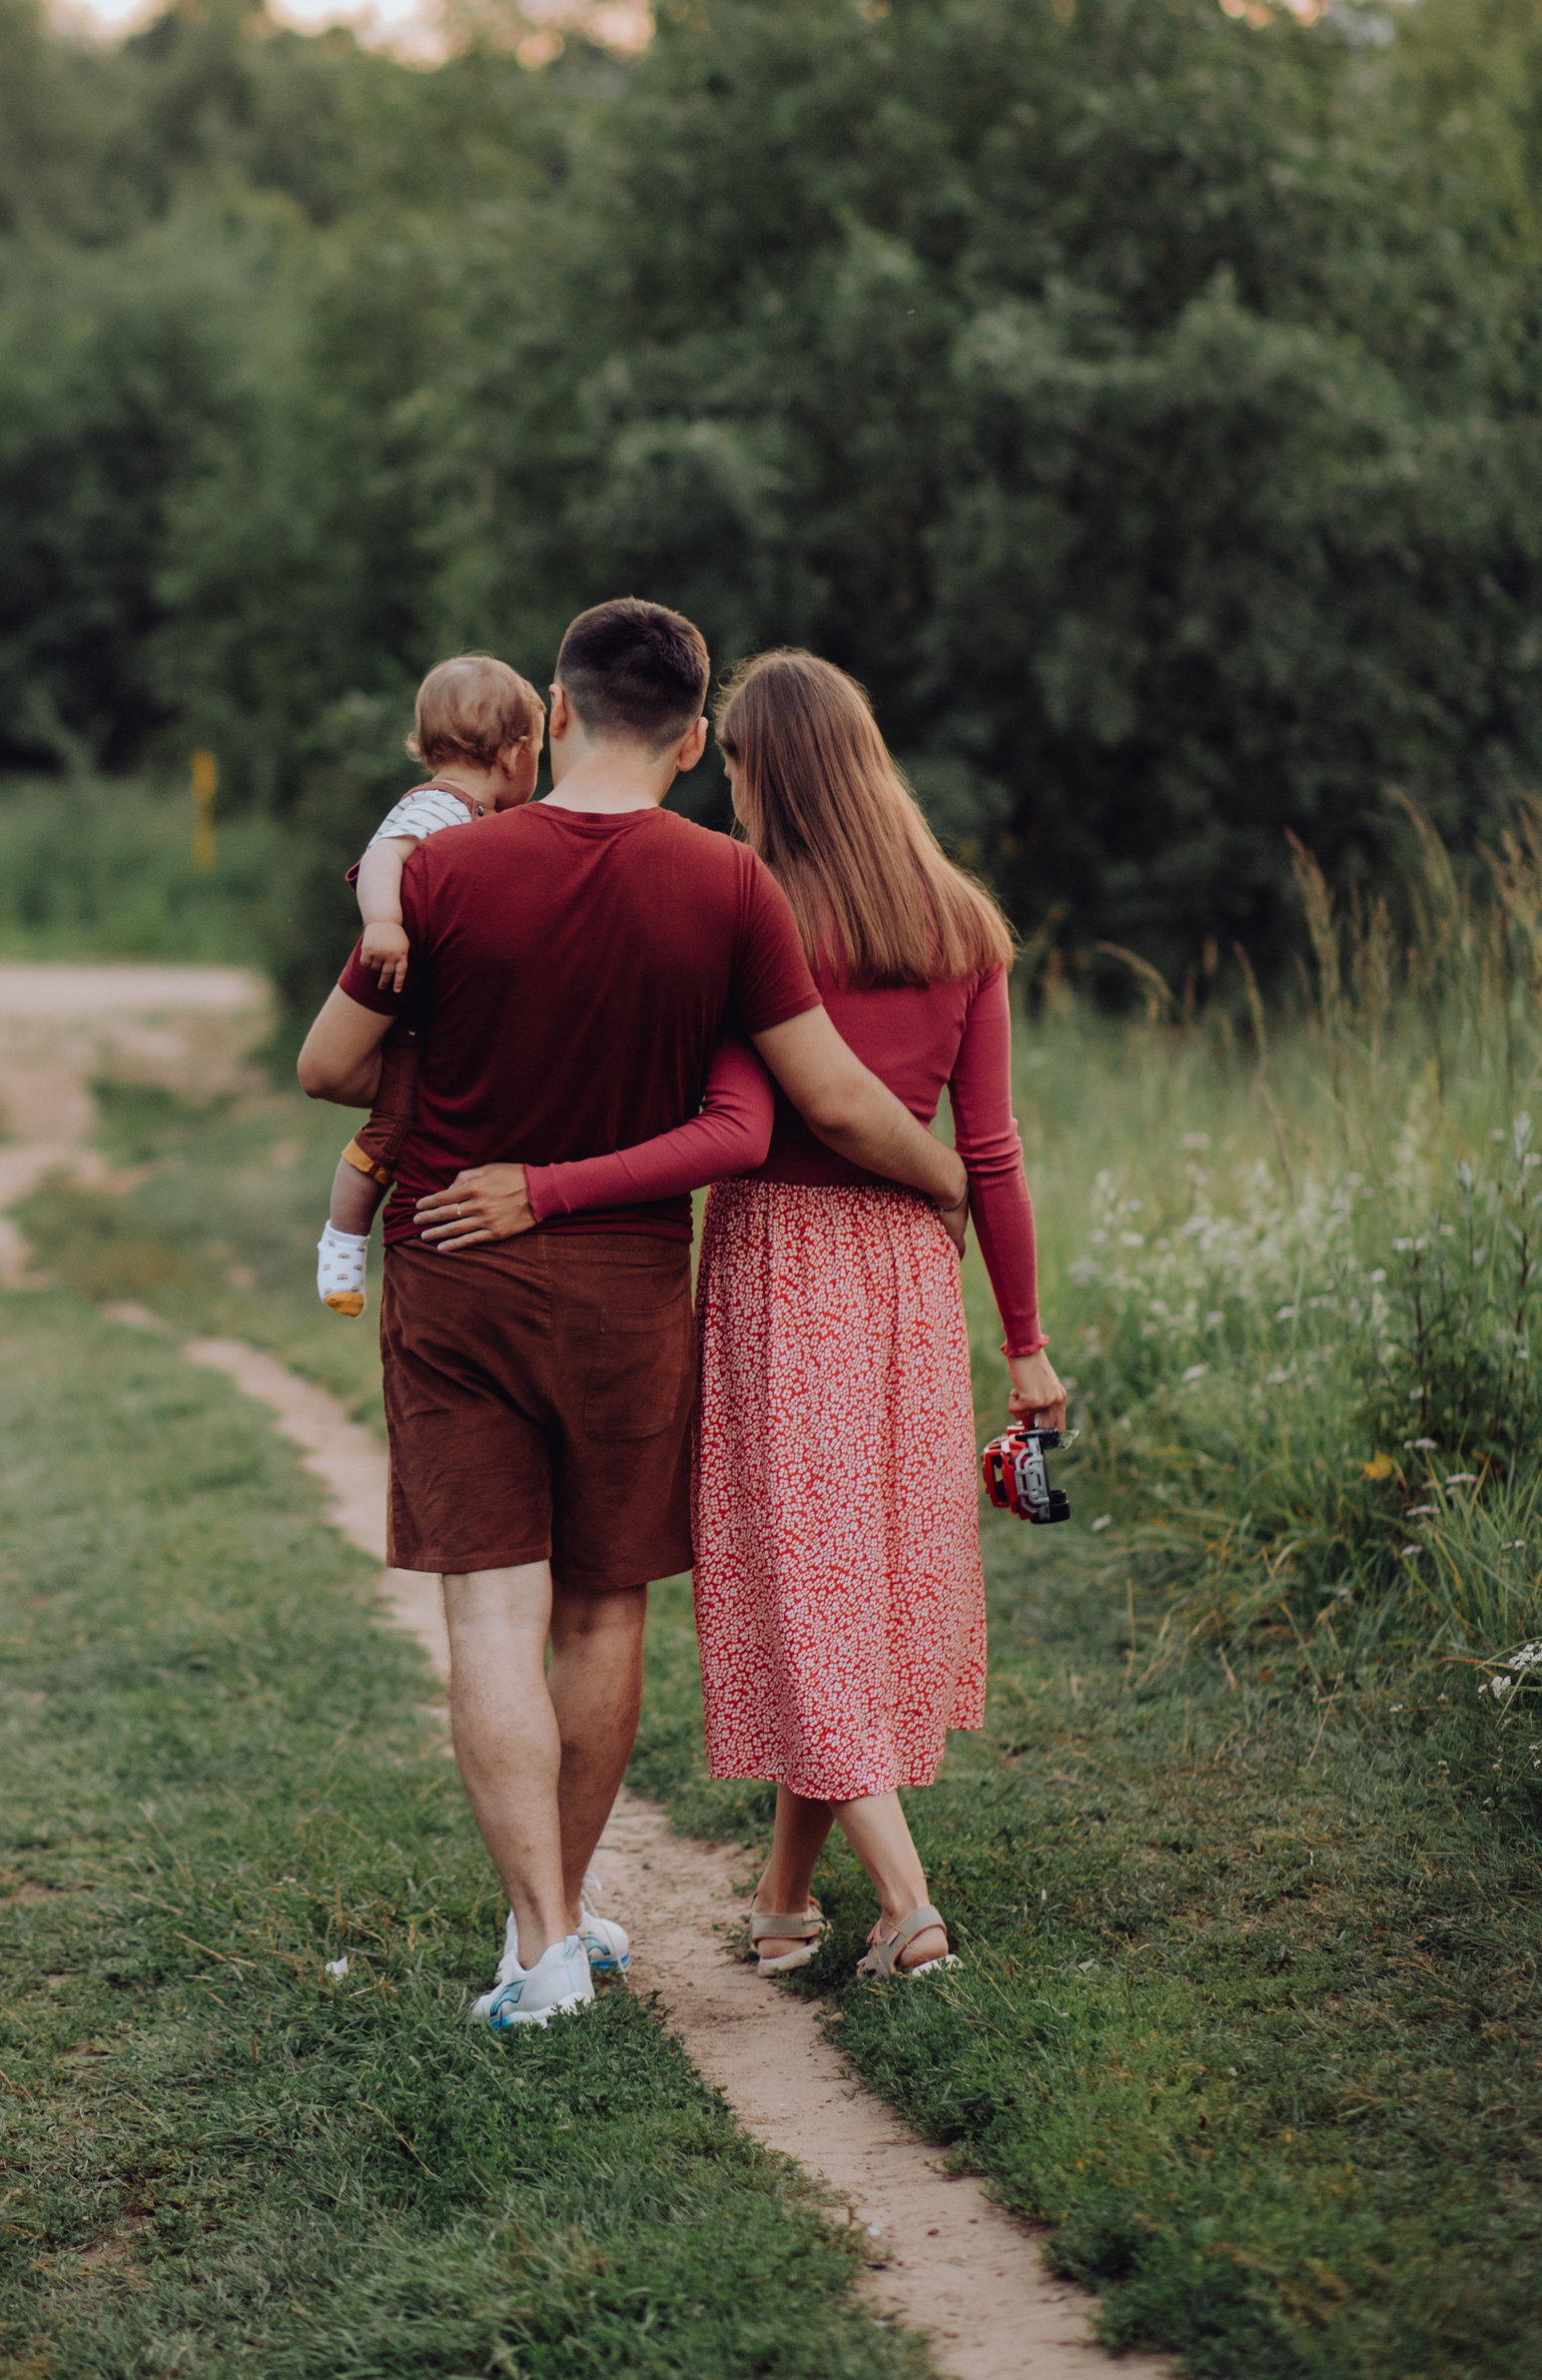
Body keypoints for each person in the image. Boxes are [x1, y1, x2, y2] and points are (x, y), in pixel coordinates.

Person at [296, 598, 972, 2031]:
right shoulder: (731, 888)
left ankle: (542, 1943)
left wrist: (448, 1064)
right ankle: (555, 1917)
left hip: (455, 1274)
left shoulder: (449, 871)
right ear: (694, 735)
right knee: (603, 1610)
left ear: (554, 707)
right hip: (626, 1294)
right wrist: (946, 1179)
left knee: (490, 1608)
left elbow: (327, 1064)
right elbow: (831, 1098)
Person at [418, 648, 1067, 1983]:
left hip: (788, 1267)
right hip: (913, 1279)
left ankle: (909, 1903)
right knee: (856, 1582)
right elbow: (992, 1155)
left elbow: (756, 1120)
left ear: (760, 769)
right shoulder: (963, 924)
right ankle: (783, 1897)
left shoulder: (751, 910)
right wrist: (1027, 1341)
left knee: (804, 1591)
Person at [317, 658, 545, 1316]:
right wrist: (384, 922)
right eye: (537, 750)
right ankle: (343, 1244)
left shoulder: (476, 817)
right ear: (510, 754)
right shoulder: (439, 807)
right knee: (391, 1128)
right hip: (414, 1019)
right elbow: (385, 856)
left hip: (444, 1018)